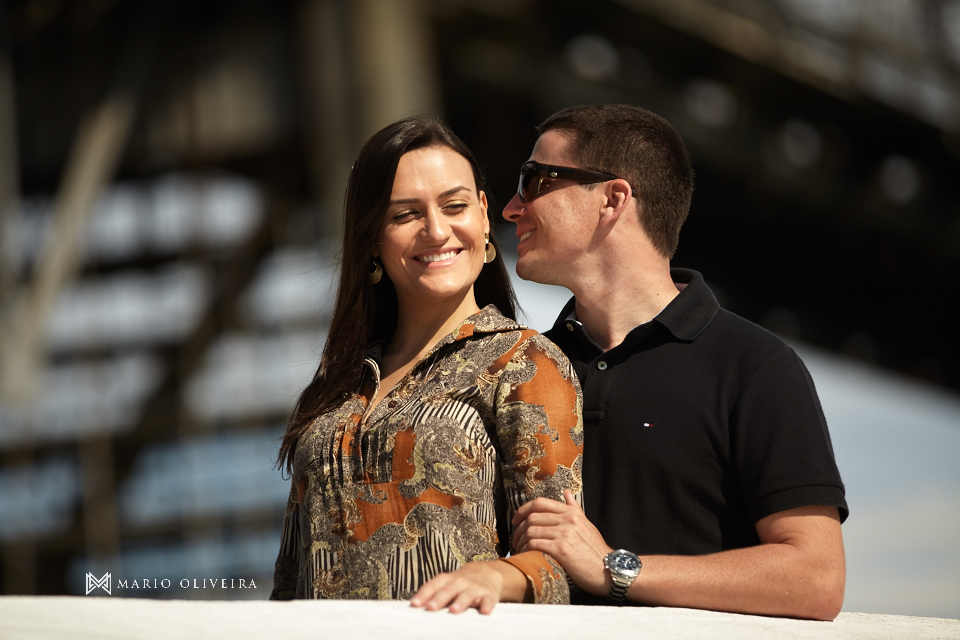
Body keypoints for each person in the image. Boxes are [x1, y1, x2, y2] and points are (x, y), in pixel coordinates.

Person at [502, 104, 848, 620]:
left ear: (613, 199)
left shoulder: (754, 367)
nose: (511, 207)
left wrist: (614, 568)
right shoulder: (523, 367)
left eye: (535, 180)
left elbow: (816, 578)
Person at [269, 117, 583, 614]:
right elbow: (287, 580)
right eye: (404, 215)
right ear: (372, 238)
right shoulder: (339, 385)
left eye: (454, 206)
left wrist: (493, 575)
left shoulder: (522, 362)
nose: (436, 230)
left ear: (483, 216)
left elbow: (562, 565)